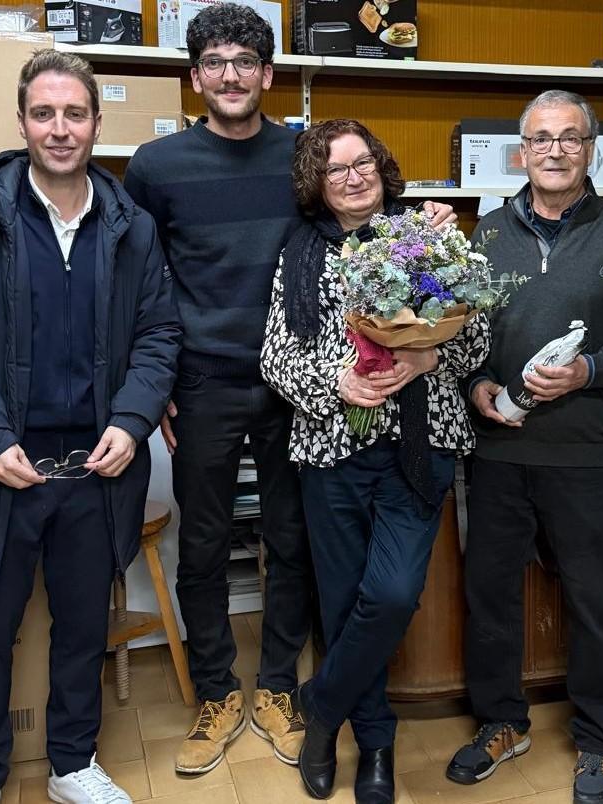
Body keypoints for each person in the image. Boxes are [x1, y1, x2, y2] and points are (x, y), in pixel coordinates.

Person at [123, 3, 454, 774]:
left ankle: (278, 686)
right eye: (215, 62)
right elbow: (138, 278)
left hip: (297, 387)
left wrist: (429, 220)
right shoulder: (156, 166)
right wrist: (156, 376)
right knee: (202, 544)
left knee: (292, 542)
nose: (231, 76)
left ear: (268, 74)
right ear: (194, 76)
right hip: (201, 381)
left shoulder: (305, 157)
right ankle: (215, 692)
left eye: (246, 61)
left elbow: (366, 230)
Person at [0, 49, 181, 804]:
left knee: (82, 627)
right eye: (44, 113)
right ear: (23, 121)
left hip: (95, 467)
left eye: (75, 114)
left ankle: (71, 765)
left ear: (96, 121)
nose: (60, 129)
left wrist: (133, 420)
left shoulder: (131, 226)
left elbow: (159, 335)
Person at [446, 90, 603, 804]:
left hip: (587, 452)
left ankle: (600, 738)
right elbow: (462, 333)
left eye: (569, 138)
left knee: (594, 599)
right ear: (521, 152)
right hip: (499, 452)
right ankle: (500, 722)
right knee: (489, 597)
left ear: (590, 150)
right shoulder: (485, 235)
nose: (554, 150)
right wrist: (478, 385)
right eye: (541, 139)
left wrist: (589, 370)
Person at [259, 118, 490, 804]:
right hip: (331, 447)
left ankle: (321, 709)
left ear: (380, 168)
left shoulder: (429, 236)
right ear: (317, 183)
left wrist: (430, 353)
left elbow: (477, 346)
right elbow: (275, 356)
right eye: (335, 169)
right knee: (341, 602)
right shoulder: (298, 254)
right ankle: (376, 748)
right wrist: (339, 381)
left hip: (418, 449)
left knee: (389, 595)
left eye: (362, 163)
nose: (352, 177)